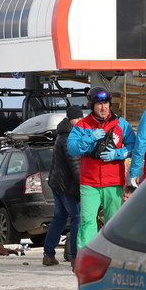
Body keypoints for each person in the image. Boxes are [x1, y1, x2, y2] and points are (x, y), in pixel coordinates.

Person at [67, 87, 136, 250]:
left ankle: (113, 255)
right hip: (89, 182)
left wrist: (118, 154)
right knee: (87, 221)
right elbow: (72, 148)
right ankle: (85, 256)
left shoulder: (121, 123)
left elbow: (134, 145)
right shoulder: (83, 125)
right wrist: (89, 138)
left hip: (113, 181)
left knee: (114, 221)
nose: (103, 107)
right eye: (99, 104)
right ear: (91, 106)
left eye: (105, 103)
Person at [43, 105, 83, 267]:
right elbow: (75, 164)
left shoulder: (63, 133)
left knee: (59, 219)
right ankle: (74, 255)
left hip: (57, 183)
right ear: (71, 119)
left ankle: (49, 254)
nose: (80, 121)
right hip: (66, 186)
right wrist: (84, 185)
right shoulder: (69, 137)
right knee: (77, 218)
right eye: (77, 118)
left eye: (81, 118)